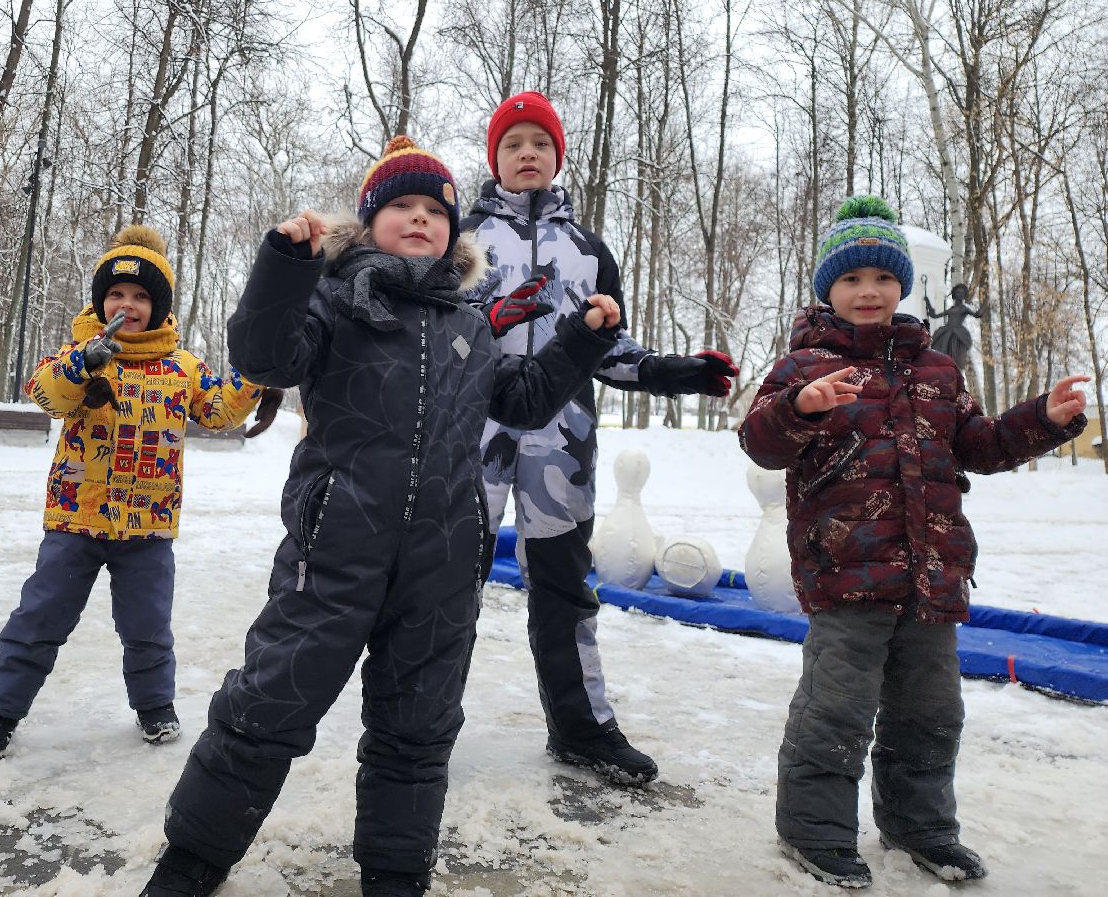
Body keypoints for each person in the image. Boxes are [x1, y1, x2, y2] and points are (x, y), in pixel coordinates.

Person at [142, 136, 626, 897]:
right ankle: (191, 862)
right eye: (402, 205)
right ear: (368, 222)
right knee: (267, 705)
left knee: (418, 730)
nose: (420, 218)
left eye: (435, 209)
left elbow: (526, 399)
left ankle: (397, 875)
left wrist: (580, 340)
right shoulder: (332, 302)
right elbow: (264, 358)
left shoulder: (471, 324)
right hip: (333, 556)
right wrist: (284, 266)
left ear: (453, 232)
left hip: (442, 570)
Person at [738, 195, 1089, 889]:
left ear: (903, 285)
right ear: (828, 289)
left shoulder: (937, 371)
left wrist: (1043, 420)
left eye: (883, 277)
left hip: (932, 578)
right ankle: (814, 829)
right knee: (836, 709)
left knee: (931, 714)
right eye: (851, 278)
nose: (868, 291)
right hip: (846, 576)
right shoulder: (803, 366)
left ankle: (920, 826)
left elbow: (980, 445)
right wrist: (799, 408)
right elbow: (760, 442)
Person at [463, 91, 738, 787]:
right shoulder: (461, 240)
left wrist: (672, 371)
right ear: (495, 158)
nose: (528, 153)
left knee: (564, 589)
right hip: (470, 439)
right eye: (513, 143)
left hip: (561, 445)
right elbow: (440, 337)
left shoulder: (589, 250)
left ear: (558, 157)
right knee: (445, 583)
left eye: (541, 143)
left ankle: (581, 728)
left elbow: (609, 348)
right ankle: (420, 720)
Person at [0, 225, 270, 763]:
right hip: (75, 520)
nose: (126, 305)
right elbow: (47, 396)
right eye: (115, 293)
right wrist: (84, 363)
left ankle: (154, 706)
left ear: (159, 307)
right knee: (39, 618)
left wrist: (256, 373)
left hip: (148, 526)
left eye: (140, 297)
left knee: (147, 626)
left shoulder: (182, 367)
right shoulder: (79, 355)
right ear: (99, 300)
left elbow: (219, 411)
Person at [924, 283, 984, 368]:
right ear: (954, 294)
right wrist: (927, 302)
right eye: (958, 292)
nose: (960, 294)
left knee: (955, 352)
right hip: (946, 331)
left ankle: (954, 366)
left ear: (965, 295)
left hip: (958, 333)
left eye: (962, 293)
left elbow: (976, 315)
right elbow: (934, 315)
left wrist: (980, 312)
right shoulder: (951, 309)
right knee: (941, 349)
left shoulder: (964, 308)